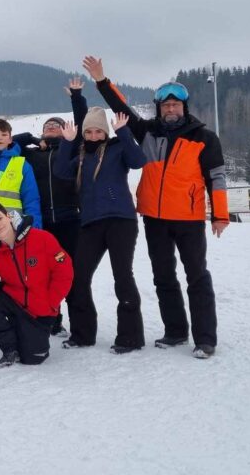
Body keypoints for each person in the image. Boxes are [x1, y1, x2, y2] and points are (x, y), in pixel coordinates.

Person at [86, 55, 228, 359]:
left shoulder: (203, 138)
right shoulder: (148, 132)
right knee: (163, 276)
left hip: (188, 219)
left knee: (196, 276)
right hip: (154, 218)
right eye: (166, 105)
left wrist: (219, 215)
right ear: (159, 108)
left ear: (184, 107)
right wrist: (101, 80)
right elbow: (121, 109)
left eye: (175, 105)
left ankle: (205, 339)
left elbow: (216, 177)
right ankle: (175, 331)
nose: (171, 109)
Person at [55, 110, 146, 352]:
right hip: (90, 223)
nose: (94, 136)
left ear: (105, 132)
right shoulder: (82, 157)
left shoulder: (117, 149)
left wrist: (123, 132)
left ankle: (131, 337)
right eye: (89, 132)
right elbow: (61, 172)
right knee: (78, 277)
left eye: (98, 131)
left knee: (122, 276)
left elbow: (138, 160)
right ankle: (83, 334)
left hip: (120, 221)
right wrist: (68, 141)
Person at [11, 77, 90, 338]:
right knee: (43, 274)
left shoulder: (71, 150)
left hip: (70, 219)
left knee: (73, 274)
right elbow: (12, 142)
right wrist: (35, 138)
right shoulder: (30, 154)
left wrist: (76, 97)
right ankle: (51, 319)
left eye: (57, 125)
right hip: (41, 223)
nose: (52, 128)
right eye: (48, 126)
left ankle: (81, 329)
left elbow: (83, 121)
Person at [0, 203, 73, 368]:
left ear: (9, 217)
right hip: (13, 303)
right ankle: (9, 348)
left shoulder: (42, 238)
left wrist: (50, 303)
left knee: (33, 358)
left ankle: (24, 334)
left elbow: (64, 272)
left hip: (40, 311)